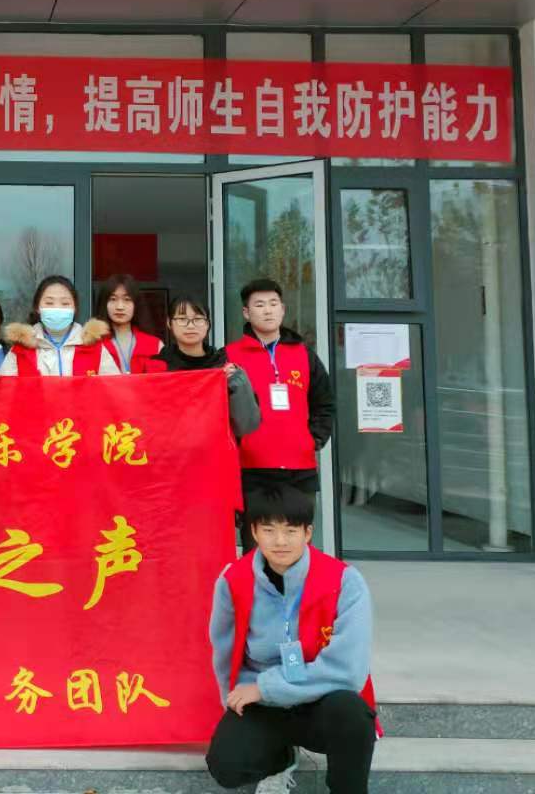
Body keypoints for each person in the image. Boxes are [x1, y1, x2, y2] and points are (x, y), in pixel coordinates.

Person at [205, 486, 379, 794]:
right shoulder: (234, 580)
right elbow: (224, 652)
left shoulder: (344, 581)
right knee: (226, 765)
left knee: (352, 715)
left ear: (308, 533)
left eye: (290, 530)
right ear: (254, 532)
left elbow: (349, 670)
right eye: (269, 530)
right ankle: (280, 759)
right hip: (263, 704)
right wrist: (236, 699)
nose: (280, 541)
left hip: (320, 699)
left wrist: (266, 687)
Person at [225, 278, 334, 552]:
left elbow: (324, 403)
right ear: (246, 313)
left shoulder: (305, 355)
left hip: (300, 468)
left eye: (273, 304)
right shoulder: (229, 357)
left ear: (283, 310)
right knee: (256, 546)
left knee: (297, 545)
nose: (268, 310)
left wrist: (313, 439)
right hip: (252, 470)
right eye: (259, 305)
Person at [157, 295, 261, 441]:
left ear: (207, 324)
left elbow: (246, 426)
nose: (190, 325)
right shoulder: (156, 367)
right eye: (182, 319)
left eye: (198, 319)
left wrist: (237, 384)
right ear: (169, 323)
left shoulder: (224, 365)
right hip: (171, 452)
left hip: (216, 451)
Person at [0, 275, 121, 377]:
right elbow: (5, 391)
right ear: (37, 307)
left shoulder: (94, 347)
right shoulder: (21, 350)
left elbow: (113, 388)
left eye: (65, 303)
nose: (57, 308)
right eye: (49, 303)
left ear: (75, 308)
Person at [94, 273, 165, 374]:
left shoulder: (155, 345)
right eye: (113, 299)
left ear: (136, 304)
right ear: (104, 304)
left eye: (127, 300)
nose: (120, 307)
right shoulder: (94, 343)